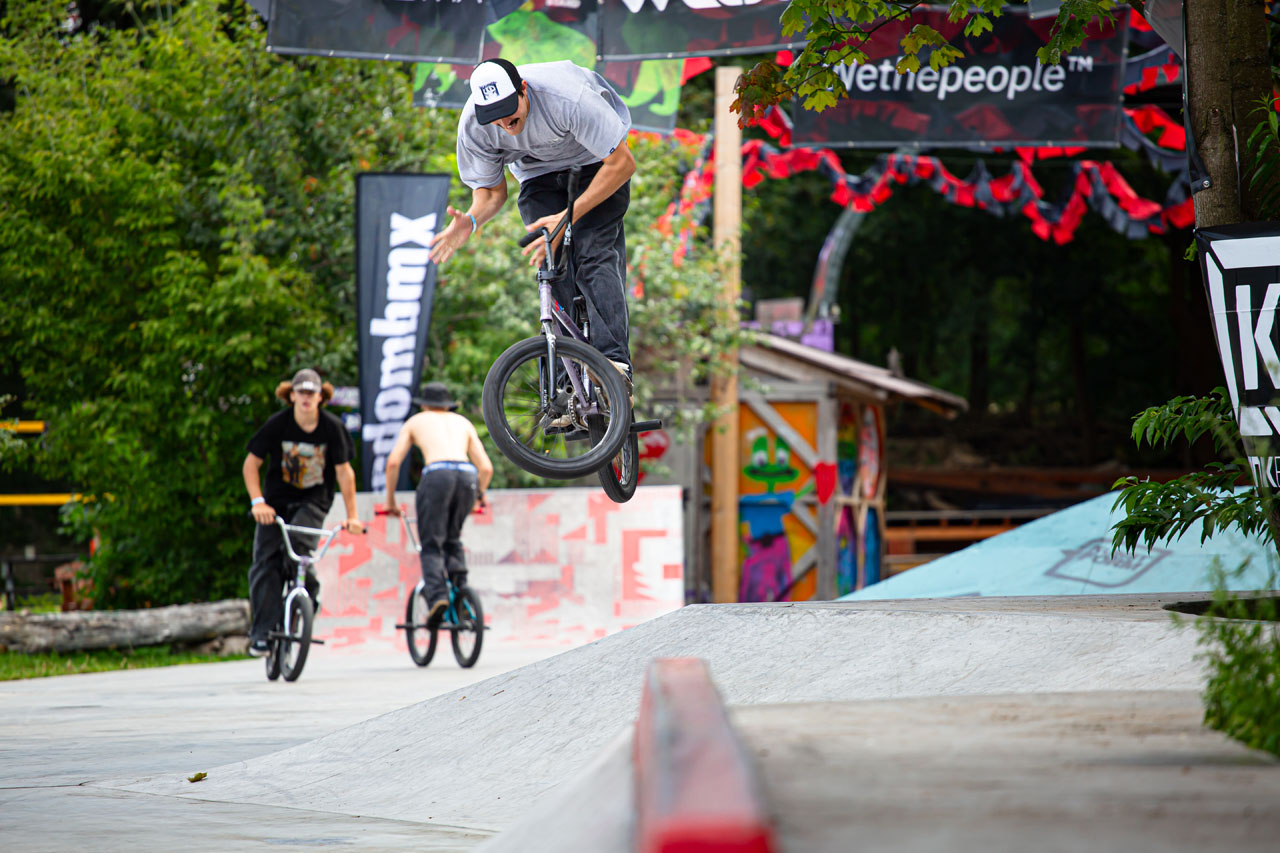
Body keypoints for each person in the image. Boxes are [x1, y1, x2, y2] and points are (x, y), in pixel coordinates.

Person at [427, 58, 635, 398]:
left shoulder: (569, 98)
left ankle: (615, 365)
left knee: (593, 251)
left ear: (523, 89)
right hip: (538, 178)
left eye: (512, 115)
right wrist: (473, 218)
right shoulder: (474, 126)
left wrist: (568, 216)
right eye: (496, 120)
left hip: (597, 165)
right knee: (549, 263)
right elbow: (493, 193)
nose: (507, 126)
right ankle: (564, 381)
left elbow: (622, 163)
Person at [242, 368, 364, 657]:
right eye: (301, 392)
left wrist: (353, 515)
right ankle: (261, 634)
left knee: (298, 550)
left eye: (312, 392)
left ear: (321, 396)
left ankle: (308, 595)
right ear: (292, 395)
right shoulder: (278, 424)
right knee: (266, 561)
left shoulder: (332, 428)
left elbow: (345, 473)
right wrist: (257, 502)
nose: (306, 397)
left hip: (313, 501)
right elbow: (251, 463)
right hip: (275, 504)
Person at [383, 382, 494, 623]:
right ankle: (462, 596)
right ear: (448, 405)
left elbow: (393, 463)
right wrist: (478, 497)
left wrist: (390, 501)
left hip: (437, 476)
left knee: (432, 544)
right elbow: (485, 468)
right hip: (467, 476)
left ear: (423, 405)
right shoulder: (462, 422)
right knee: (453, 539)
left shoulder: (416, 421)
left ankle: (437, 598)